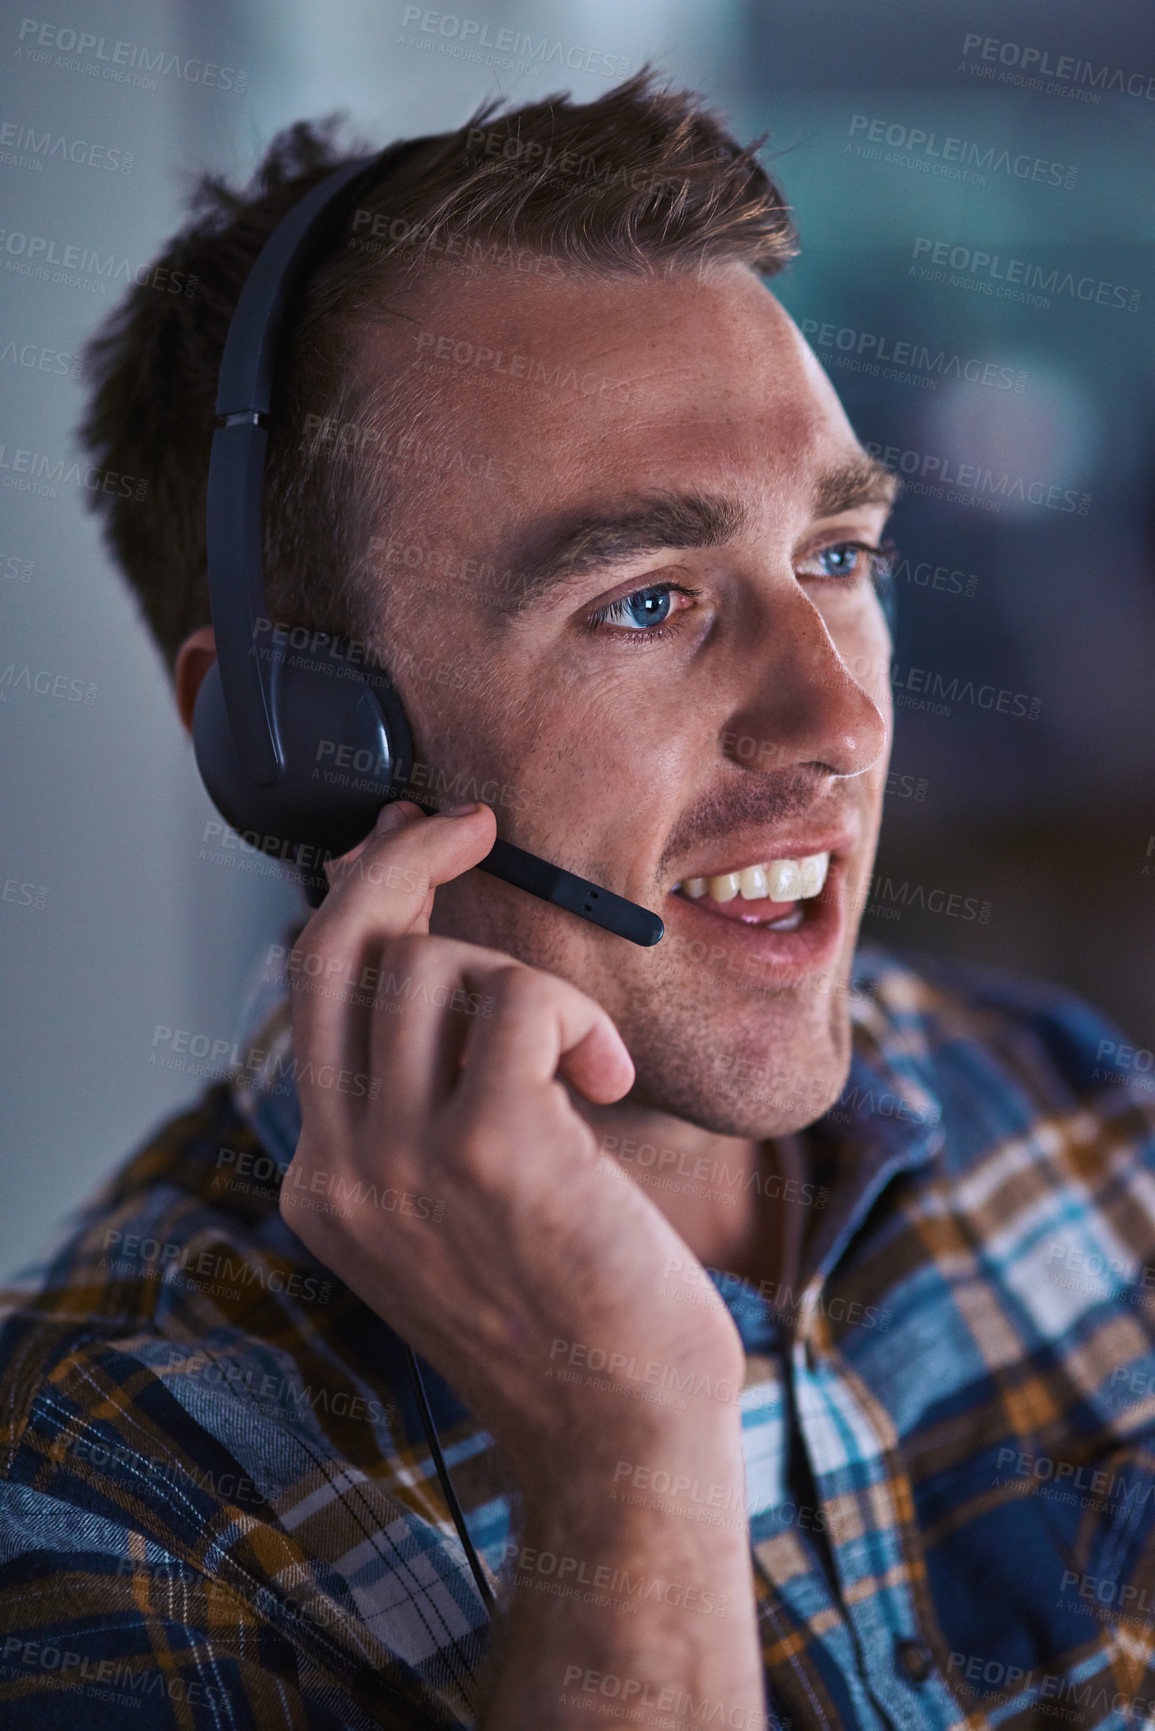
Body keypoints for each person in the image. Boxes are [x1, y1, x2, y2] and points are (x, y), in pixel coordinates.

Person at [1, 64, 1152, 1731]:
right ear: (295, 743)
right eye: (648, 601)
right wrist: (621, 1462)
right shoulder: (101, 1496)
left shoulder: (1068, 1105)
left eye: (839, 559)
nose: (835, 721)